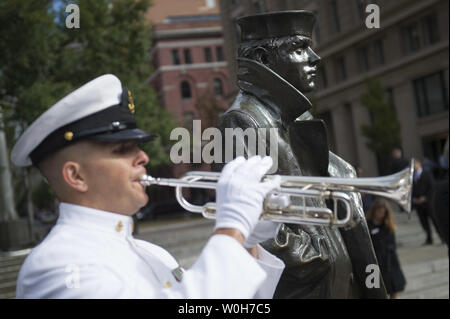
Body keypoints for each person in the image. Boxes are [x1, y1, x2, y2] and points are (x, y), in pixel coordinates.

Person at [11, 74, 285, 298]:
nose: (143, 157)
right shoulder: (58, 266)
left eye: (138, 147)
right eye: (121, 149)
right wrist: (232, 229)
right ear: (76, 176)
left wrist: (247, 243)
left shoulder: (153, 254)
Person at [213, 11, 387, 298]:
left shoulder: (295, 115)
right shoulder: (242, 121)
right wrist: (322, 258)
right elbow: (253, 223)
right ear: (263, 59)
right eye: (298, 48)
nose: (314, 57)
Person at [366, 199, 406, 299]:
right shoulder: (367, 225)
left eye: (383, 213)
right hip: (374, 264)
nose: (381, 215)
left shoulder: (387, 224)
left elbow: (392, 244)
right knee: (376, 292)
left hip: (389, 262)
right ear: (374, 211)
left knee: (393, 289)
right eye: (379, 212)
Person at [412, 158, 440, 245]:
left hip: (428, 202)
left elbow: (432, 187)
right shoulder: (411, 177)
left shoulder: (427, 174)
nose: (413, 166)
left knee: (435, 220)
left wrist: (426, 198)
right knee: (424, 222)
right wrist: (414, 199)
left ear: (419, 164)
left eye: (415, 164)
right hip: (418, 204)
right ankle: (429, 238)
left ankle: (442, 236)